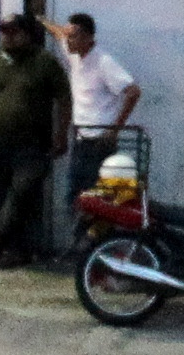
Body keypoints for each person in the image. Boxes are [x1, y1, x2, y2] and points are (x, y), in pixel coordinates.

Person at [0, 12, 68, 267]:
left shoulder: (45, 63)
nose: (8, 37)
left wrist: (61, 134)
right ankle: (6, 249)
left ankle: (1, 236)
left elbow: (64, 98)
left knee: (22, 193)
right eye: (5, 32)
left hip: (32, 145)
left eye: (14, 32)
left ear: (28, 34)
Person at [61, 12, 142, 212]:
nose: (68, 40)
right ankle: (84, 239)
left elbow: (133, 92)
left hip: (98, 141)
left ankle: (95, 239)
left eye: (74, 35)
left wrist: (115, 129)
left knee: (95, 198)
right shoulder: (75, 56)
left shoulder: (103, 62)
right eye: (68, 35)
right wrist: (42, 19)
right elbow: (57, 34)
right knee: (76, 196)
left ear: (89, 37)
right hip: (81, 138)